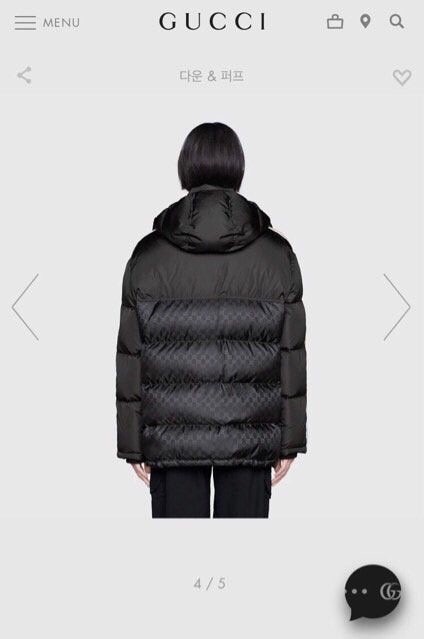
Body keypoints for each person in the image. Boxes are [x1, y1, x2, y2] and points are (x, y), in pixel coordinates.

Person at [116, 122, 307, 518]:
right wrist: (289, 441)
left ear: (184, 168)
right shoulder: (277, 255)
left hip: (171, 437)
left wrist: (134, 444)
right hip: (251, 434)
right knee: (243, 552)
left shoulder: (147, 256)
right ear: (238, 169)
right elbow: (291, 353)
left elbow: (131, 355)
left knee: (178, 552)